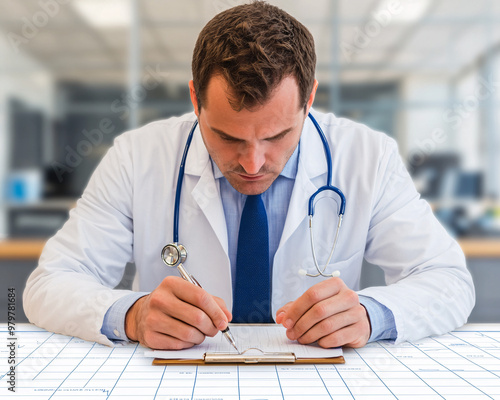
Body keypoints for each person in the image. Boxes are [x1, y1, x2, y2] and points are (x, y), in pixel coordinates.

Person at [24, 1, 474, 350]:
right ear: (195, 99)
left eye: (277, 135)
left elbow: (448, 280)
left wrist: (372, 314)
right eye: (227, 137)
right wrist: (131, 315)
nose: (254, 164)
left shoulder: (367, 157)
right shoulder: (137, 157)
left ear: (310, 98)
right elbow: (49, 284)